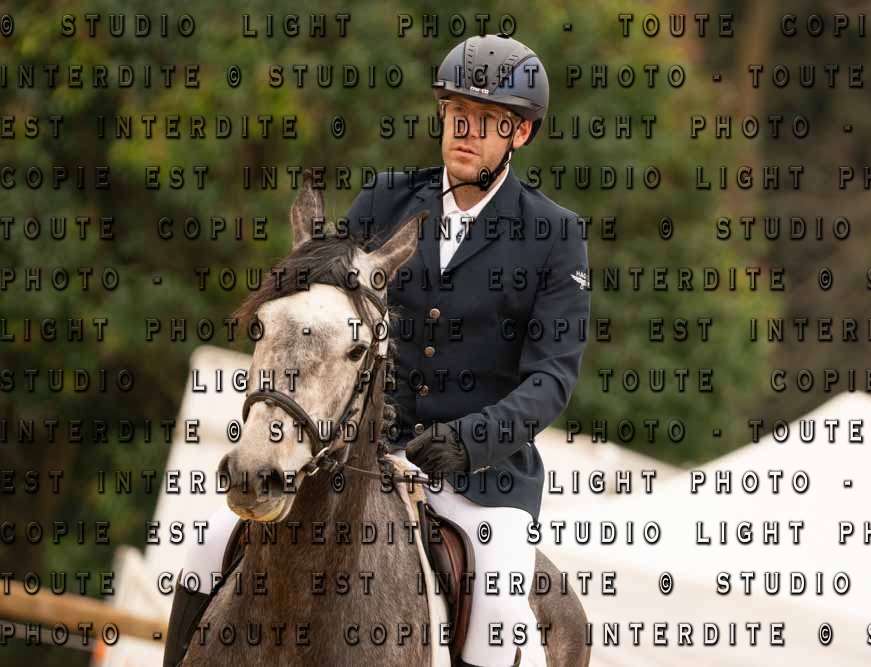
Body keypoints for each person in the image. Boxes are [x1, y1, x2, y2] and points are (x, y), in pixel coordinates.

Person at [163, 34, 590, 667]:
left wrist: (470, 440)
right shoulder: (388, 198)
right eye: (457, 113)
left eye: (487, 121)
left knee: (501, 617)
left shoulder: (554, 235)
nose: (465, 131)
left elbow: (551, 379)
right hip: (356, 455)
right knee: (205, 545)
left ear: (519, 134)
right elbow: (325, 313)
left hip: (478, 482)